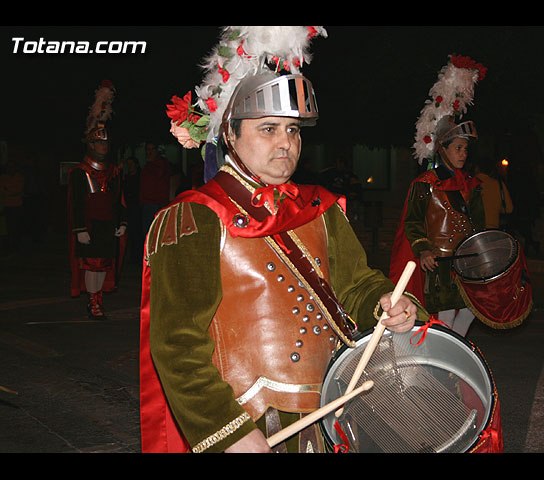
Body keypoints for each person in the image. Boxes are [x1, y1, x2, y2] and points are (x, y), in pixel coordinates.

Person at [139, 26, 423, 454]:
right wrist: (228, 431)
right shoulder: (195, 216)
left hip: (332, 410)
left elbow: (357, 285)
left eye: (293, 131)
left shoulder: (320, 207)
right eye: (268, 129)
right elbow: (177, 343)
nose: (286, 144)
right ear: (231, 135)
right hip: (250, 422)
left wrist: (387, 302)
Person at [390, 55, 487, 337]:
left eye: (466, 149)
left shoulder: (472, 184)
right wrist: (423, 250)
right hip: (440, 262)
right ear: (443, 149)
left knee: (471, 309)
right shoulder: (426, 183)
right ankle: (447, 357)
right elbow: (413, 222)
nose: (463, 154)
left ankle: (453, 350)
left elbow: (477, 224)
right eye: (458, 148)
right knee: (444, 314)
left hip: (467, 260)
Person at [67, 80, 127, 317]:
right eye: (98, 142)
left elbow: (118, 199)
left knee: (104, 264)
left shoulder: (113, 170)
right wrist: (79, 228)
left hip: (108, 225)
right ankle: (93, 301)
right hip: (90, 225)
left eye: (105, 142)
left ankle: (98, 298)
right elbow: (77, 203)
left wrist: (122, 222)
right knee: (91, 265)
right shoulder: (80, 172)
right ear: (91, 143)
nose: (103, 146)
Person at [139, 142, 171, 237]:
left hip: (158, 204)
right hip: (148, 204)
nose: (149, 152)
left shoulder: (161, 164)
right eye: (147, 150)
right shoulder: (148, 165)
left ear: (156, 150)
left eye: (152, 149)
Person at [474, 156, 513, 229]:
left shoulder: (468, 184)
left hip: (473, 230)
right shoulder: (498, 184)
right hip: (493, 229)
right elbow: (509, 209)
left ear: (477, 168)